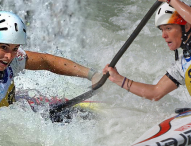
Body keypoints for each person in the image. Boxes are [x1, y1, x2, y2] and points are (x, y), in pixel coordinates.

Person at [0, 11, 97, 109]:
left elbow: (46, 61)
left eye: (15, 48)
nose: (9, 56)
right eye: (4, 47)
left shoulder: (15, 60)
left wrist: (92, 75)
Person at [103, 0, 191, 101]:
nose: (164, 35)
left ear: (187, 26)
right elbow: (155, 92)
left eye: (168, 28)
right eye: (162, 30)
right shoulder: (182, 63)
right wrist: (118, 79)